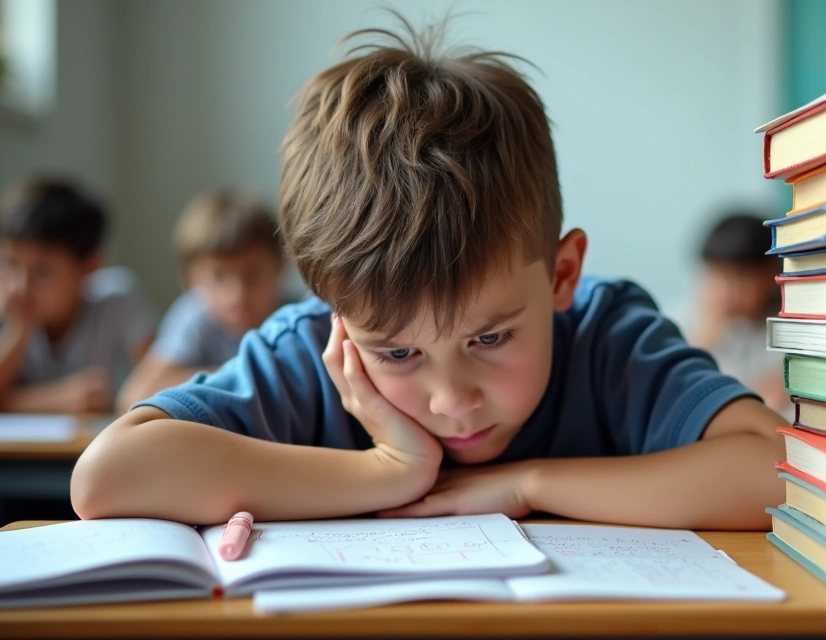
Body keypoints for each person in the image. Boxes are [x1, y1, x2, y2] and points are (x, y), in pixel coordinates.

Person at [71, 20, 786, 529]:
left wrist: (524, 484)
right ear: (337, 314)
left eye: (492, 338)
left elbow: (776, 471)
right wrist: (389, 468)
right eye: (397, 353)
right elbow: (108, 478)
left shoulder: (606, 336)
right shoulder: (309, 352)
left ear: (562, 274)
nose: (451, 402)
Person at [117, 190, 285, 410]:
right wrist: (242, 375)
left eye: (251, 275)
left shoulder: (295, 318)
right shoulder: (195, 317)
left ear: (280, 266)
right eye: (218, 277)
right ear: (189, 279)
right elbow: (134, 396)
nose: (236, 295)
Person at [0, 177, 156, 413]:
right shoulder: (11, 307)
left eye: (42, 271)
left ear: (89, 268)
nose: (21, 286)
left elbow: (159, 384)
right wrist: (19, 330)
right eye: (11, 263)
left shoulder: (118, 300)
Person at [687, 212, 787, 415]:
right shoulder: (684, 322)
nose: (726, 293)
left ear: (770, 274)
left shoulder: (787, 326)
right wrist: (704, 342)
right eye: (716, 275)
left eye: (740, 279)